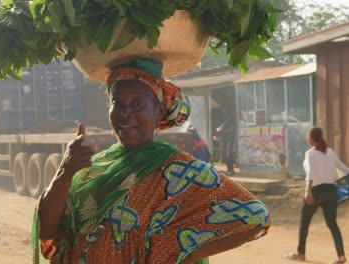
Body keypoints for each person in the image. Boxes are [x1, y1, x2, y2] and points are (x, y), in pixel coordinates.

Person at [33, 59, 271, 264]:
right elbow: (49, 230)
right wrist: (65, 170)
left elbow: (255, 217)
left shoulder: (177, 169)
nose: (126, 112)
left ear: (158, 111)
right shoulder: (93, 168)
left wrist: (178, 253)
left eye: (137, 103)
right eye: (118, 102)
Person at [285, 127, 348, 264]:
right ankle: (341, 257)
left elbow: (311, 173)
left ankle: (301, 253)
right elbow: (344, 169)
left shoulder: (310, 153)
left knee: (305, 222)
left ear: (311, 139)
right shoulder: (330, 152)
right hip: (332, 192)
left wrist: (308, 191)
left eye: (308, 137)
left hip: (317, 192)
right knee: (332, 224)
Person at [217, 107, 236, 176]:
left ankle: (231, 170)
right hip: (226, 139)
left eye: (225, 110)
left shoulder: (230, 119)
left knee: (228, 155)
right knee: (226, 155)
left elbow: (232, 128)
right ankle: (229, 170)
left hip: (229, 140)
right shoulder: (226, 119)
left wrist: (223, 131)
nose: (224, 111)